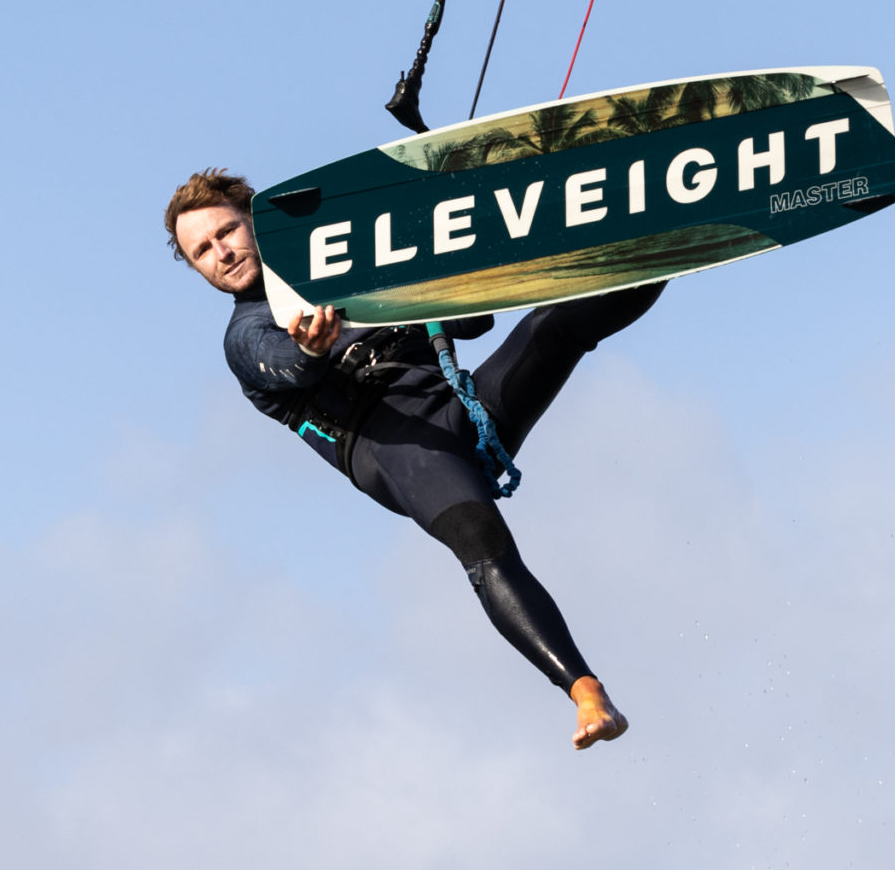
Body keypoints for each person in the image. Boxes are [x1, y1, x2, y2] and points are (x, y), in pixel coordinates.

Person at [166, 168, 660, 750]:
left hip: (463, 406)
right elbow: (287, 363)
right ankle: (585, 690)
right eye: (203, 251)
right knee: (481, 539)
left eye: (227, 232)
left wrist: (446, 270)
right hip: (394, 448)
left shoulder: (356, 266)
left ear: (257, 223)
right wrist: (310, 347)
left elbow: (474, 321)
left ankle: (676, 244)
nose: (221, 254)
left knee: (558, 323)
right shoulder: (246, 333)